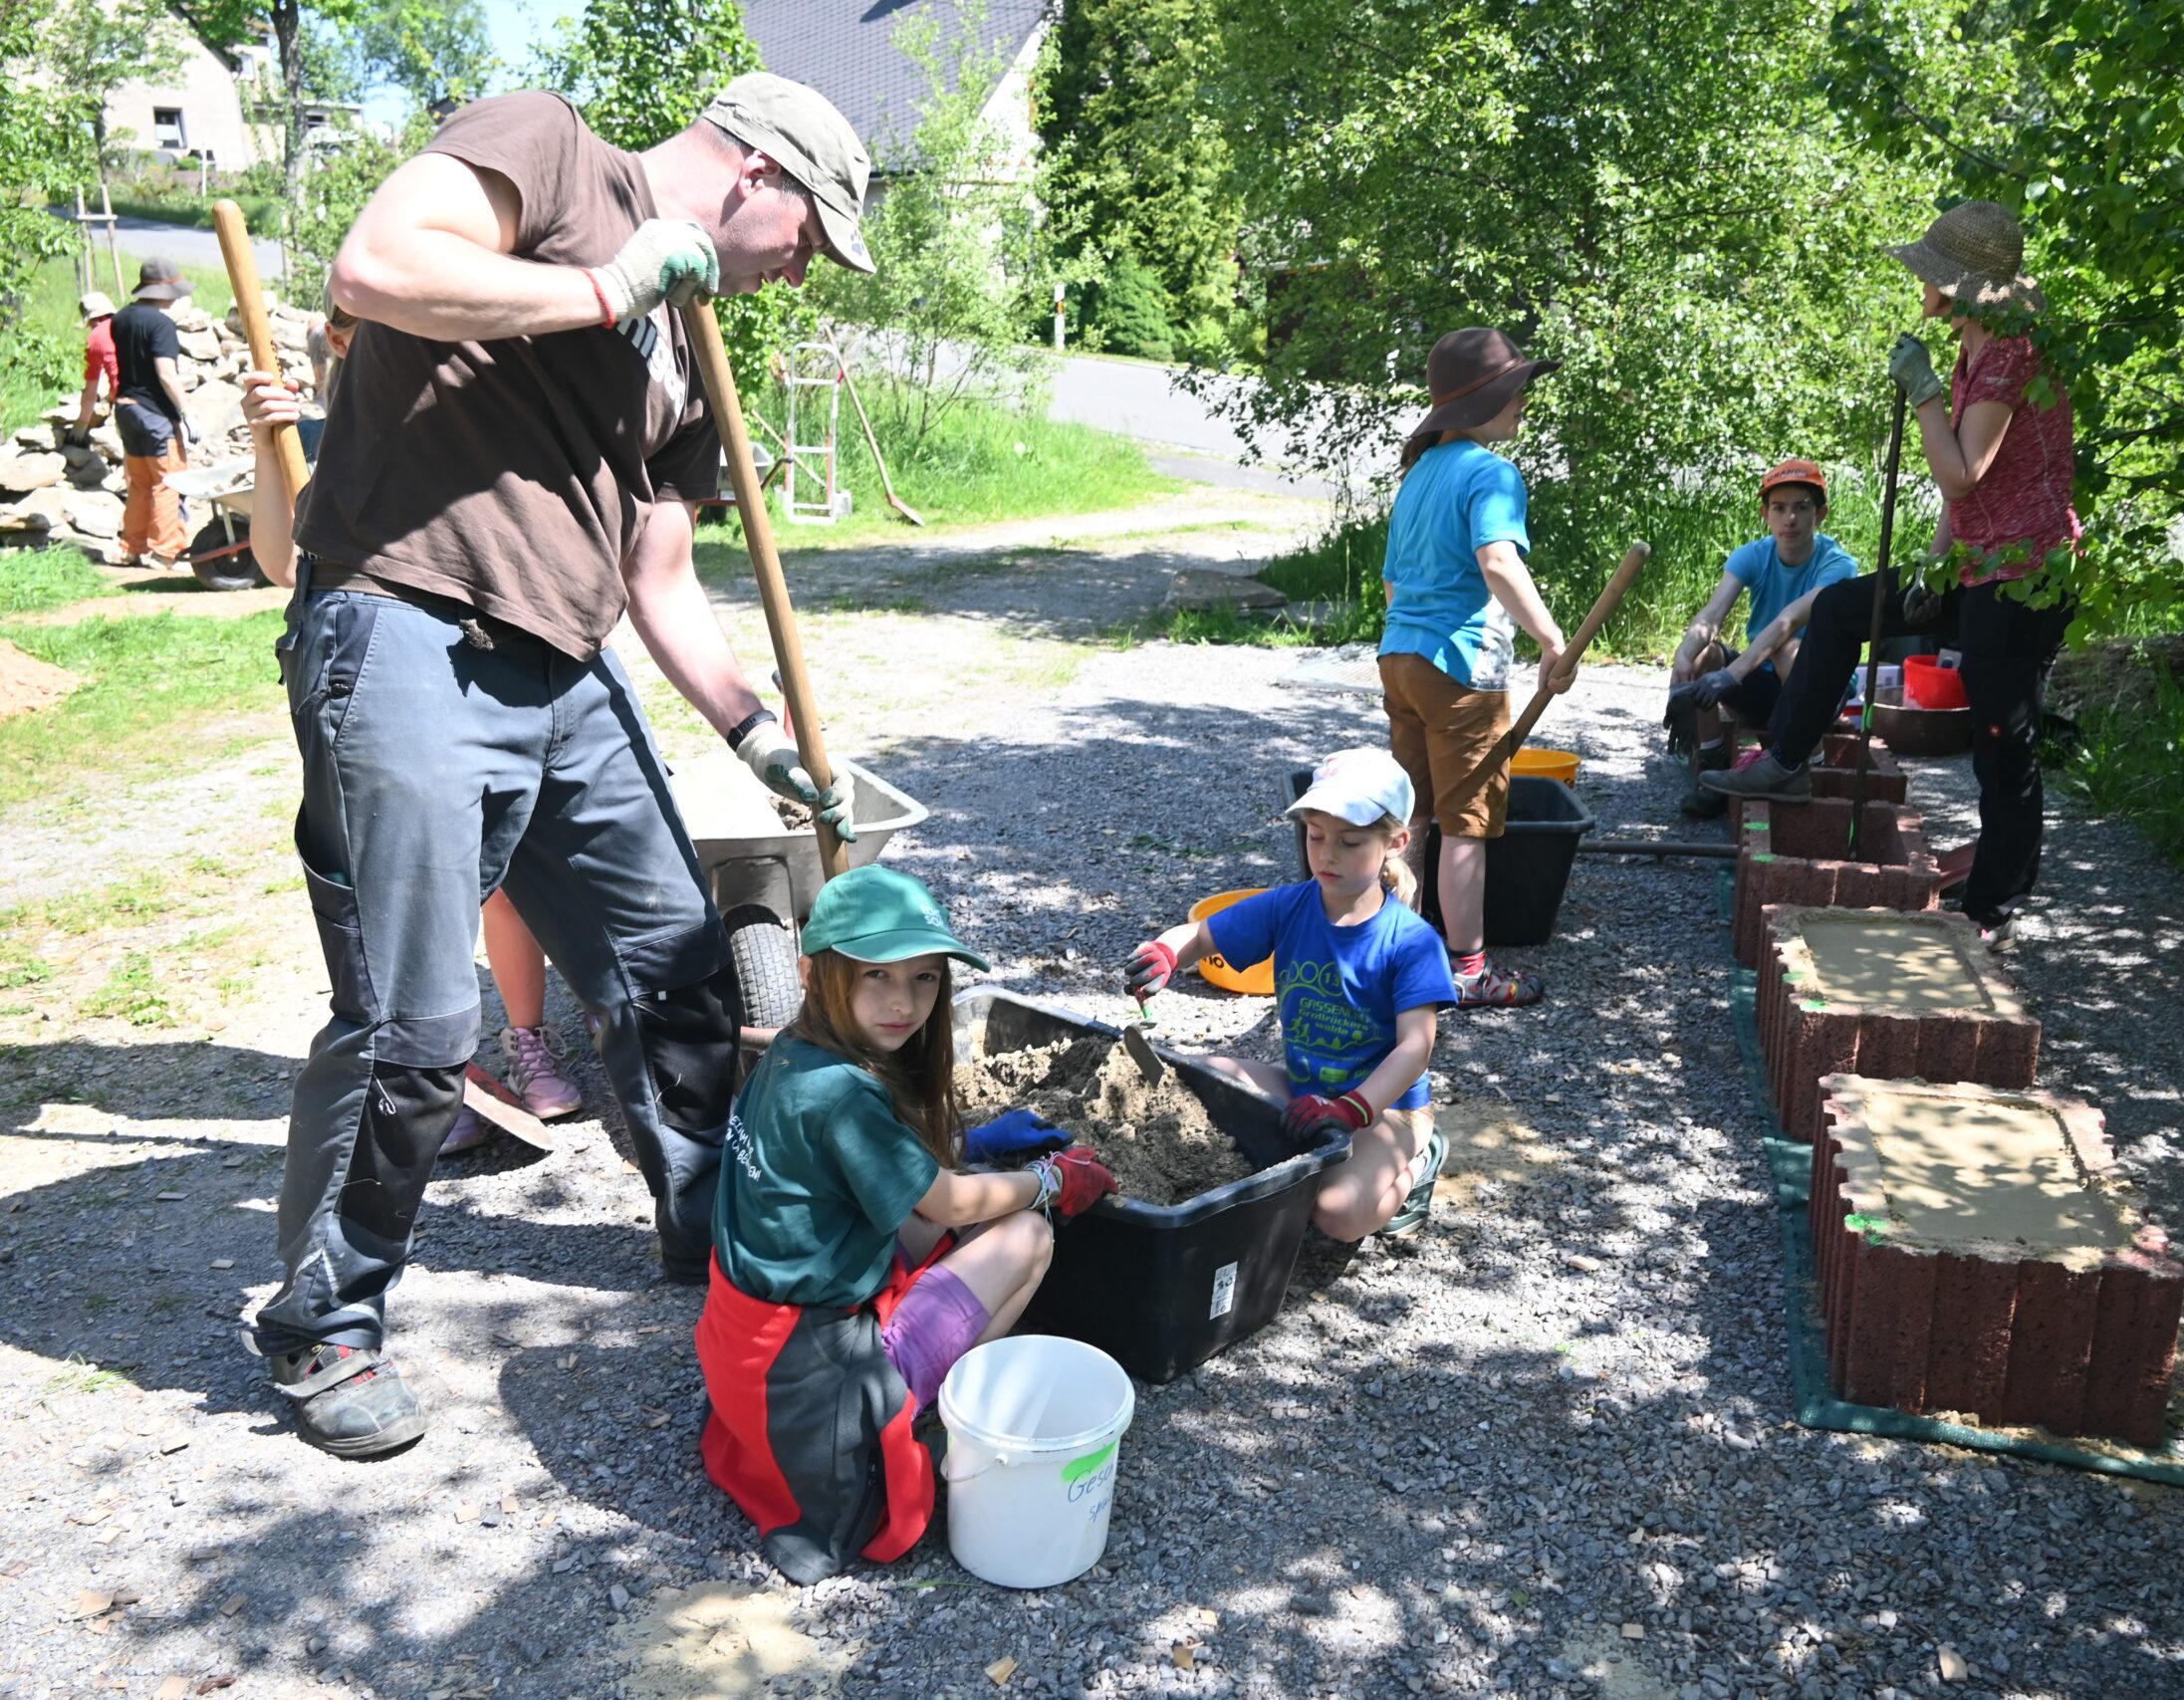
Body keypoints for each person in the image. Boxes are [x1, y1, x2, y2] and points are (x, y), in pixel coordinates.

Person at [240, 72, 885, 1458]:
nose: (800, 273)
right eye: (810, 239)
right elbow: (378, 265)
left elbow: (661, 575)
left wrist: (755, 730)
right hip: (404, 620)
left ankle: (713, 1222)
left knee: (677, 968)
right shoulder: (552, 152)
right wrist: (606, 286)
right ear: (759, 173)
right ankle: (322, 1321)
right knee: (415, 1023)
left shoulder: (693, 339)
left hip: (567, 663)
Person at [697, 865, 1116, 1581]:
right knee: (1029, 1234)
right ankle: (941, 1411)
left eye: (924, 978)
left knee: (960, 1208)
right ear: (813, 973)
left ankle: (927, 1363)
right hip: (817, 1374)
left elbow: (885, 1173)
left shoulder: (792, 1053)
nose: (905, 1002)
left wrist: (971, 1146)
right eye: (877, 976)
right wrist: (1052, 1180)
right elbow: (949, 1205)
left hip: (746, 1344)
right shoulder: (842, 1094)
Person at [1701, 201, 2080, 951]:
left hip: (2024, 577)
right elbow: (1964, 499)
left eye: (1931, 275)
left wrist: (1925, 393)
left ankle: (1994, 910)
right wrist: (1933, 567)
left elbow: (1963, 471)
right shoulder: (1977, 346)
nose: (1921, 285)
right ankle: (1788, 759)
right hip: (1974, 560)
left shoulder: (2011, 353)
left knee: (2002, 741)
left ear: (1961, 287)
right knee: (1844, 608)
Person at [241, 325, 583, 1151]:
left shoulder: (463, 408)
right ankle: (436, 1076)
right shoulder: (323, 440)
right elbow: (282, 561)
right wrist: (266, 445)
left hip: (487, 661)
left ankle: (526, 1038)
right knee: (413, 890)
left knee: (504, 878)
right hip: (382, 684)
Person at [1121, 748, 1460, 1240]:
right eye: (1315, 836)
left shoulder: (1411, 942)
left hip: (1386, 1108)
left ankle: (1419, 1161)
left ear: (1395, 843)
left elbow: (1415, 1049)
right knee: (1188, 1080)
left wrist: (1353, 1109)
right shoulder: (1289, 906)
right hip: (1304, 1089)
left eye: (1349, 842)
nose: (1326, 854)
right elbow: (1200, 936)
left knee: (1337, 1213)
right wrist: (1165, 953)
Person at [1377, 327, 1577, 1009]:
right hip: (1460, 669)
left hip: (1401, 658)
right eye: (1516, 390)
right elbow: (1497, 561)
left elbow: (1394, 586)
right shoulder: (1490, 473)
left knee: (1412, 816)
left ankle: (1389, 951)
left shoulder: (1418, 475)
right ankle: (1466, 970)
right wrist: (1551, 639)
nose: (1524, 401)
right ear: (1481, 402)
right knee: (1468, 822)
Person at [1663, 457, 1859, 818]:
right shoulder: (1752, 555)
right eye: (1779, 508)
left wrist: (1731, 674)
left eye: (1802, 507)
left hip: (1819, 693)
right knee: (1704, 655)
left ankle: (1808, 764)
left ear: (1820, 514)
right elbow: (1712, 614)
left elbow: (1789, 621)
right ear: (1765, 514)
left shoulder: (1838, 564)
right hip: (1766, 685)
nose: (1790, 518)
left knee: (1790, 650)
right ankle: (1711, 766)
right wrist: (1684, 658)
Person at [107, 259, 199, 570]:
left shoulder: (121, 318)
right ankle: (165, 552)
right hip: (155, 414)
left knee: (141, 484)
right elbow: (166, 374)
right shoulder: (161, 324)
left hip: (126, 409)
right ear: (165, 292)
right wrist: (187, 413)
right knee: (168, 482)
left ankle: (131, 548)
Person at [71, 291, 118, 446]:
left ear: (93, 320)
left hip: (126, 398)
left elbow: (91, 391)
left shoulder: (95, 338)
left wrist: (81, 424)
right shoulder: (130, 324)